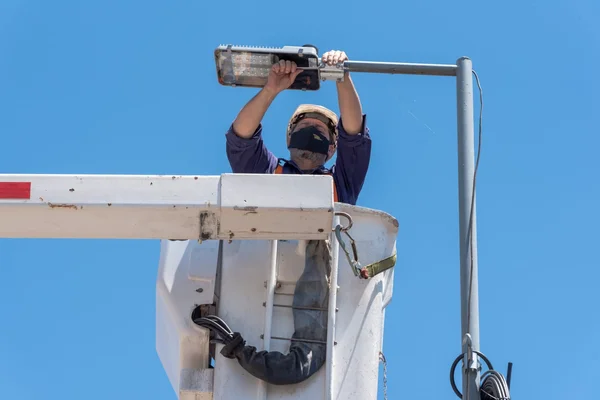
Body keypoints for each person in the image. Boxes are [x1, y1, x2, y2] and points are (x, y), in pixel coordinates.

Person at [225, 49, 371, 206]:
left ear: (331, 148)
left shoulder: (342, 183)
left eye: (319, 130)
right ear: (289, 140)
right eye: (304, 126)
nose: (310, 131)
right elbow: (241, 138)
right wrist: (271, 89)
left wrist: (342, 76)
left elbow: (353, 135)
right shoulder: (267, 171)